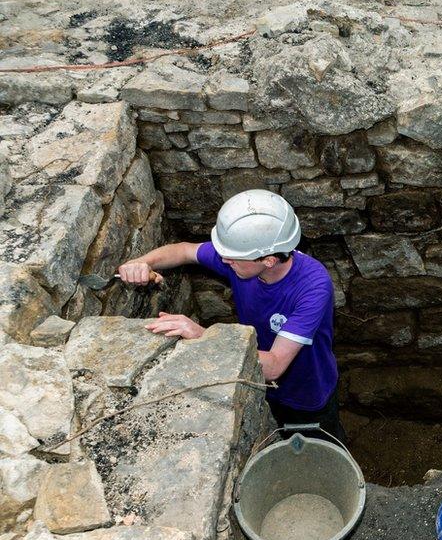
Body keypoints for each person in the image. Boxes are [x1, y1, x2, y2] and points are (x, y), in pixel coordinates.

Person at [117, 189, 344, 442]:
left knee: (322, 451)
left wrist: (206, 336)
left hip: (306, 395)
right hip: (259, 386)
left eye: (233, 258)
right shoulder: (243, 259)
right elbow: (183, 250)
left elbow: (274, 366)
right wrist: (142, 262)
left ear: (269, 260)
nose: (224, 259)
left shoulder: (312, 287)